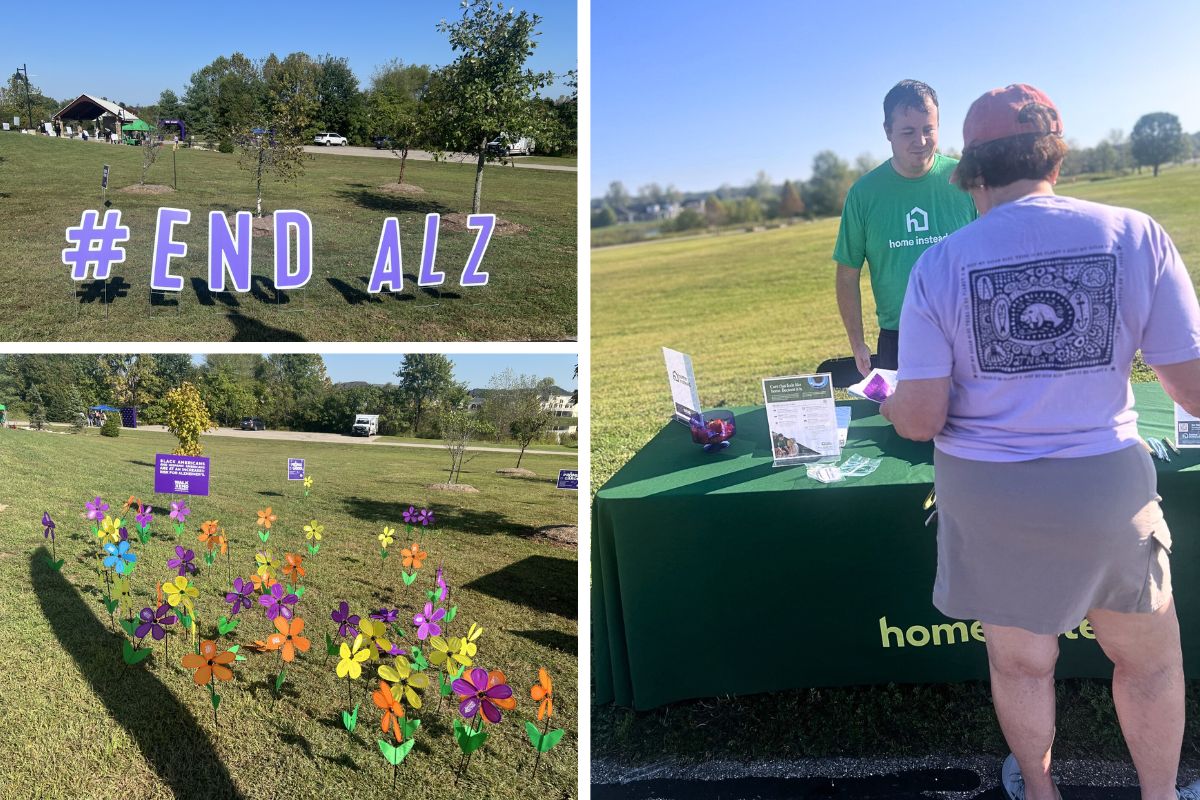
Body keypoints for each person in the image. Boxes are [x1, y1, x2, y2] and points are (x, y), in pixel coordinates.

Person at [881, 84, 1200, 800]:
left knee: (1021, 664)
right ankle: (1160, 795)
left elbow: (921, 419)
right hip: (1106, 492)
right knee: (1148, 662)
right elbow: (1194, 389)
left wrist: (895, 399)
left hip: (990, 497)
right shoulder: (1136, 233)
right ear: (1055, 154)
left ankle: (1041, 791)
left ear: (971, 171)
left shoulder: (940, 264)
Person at [834, 80, 978, 375]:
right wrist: (857, 341)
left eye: (929, 130)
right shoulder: (865, 193)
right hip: (899, 339)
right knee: (905, 423)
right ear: (887, 131)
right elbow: (847, 274)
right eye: (908, 132)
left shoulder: (966, 178)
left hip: (966, 332)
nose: (921, 141)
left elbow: (993, 254)